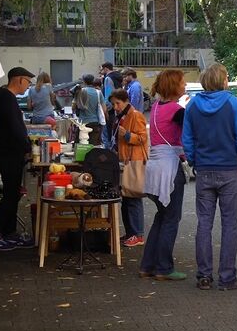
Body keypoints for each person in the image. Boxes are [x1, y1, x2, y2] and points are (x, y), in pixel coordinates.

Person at [182, 63, 237, 291]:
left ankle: (204, 275)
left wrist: (193, 160)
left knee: (204, 224)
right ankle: (227, 277)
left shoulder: (192, 106)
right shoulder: (232, 104)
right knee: (230, 225)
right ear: (222, 80)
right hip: (230, 169)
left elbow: (187, 139)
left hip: (204, 170)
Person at [141, 70, 188, 281]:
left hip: (153, 167)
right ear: (174, 86)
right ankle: (164, 268)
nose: (185, 86)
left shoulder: (156, 108)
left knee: (161, 217)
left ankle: (147, 265)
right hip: (169, 168)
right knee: (171, 218)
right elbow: (188, 136)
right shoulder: (177, 110)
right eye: (183, 82)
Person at [0, 67, 36, 251]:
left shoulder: (6, 97)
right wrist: (27, 147)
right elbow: (15, 127)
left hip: (9, 152)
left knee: (13, 193)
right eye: (28, 82)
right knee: (11, 195)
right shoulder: (6, 97)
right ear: (19, 79)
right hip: (8, 154)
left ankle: (9, 232)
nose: (28, 86)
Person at [110, 88, 148, 247]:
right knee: (126, 199)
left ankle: (138, 234)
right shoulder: (122, 116)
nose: (115, 107)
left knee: (133, 198)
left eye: (117, 103)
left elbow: (142, 138)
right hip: (125, 161)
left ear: (125, 101)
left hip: (135, 161)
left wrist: (126, 135)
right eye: (113, 104)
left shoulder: (136, 115)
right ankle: (131, 233)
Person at [73, 74, 105, 145]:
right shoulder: (98, 93)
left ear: (84, 81)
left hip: (83, 123)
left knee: (80, 146)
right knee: (93, 148)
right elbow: (104, 109)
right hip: (95, 123)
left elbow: (73, 106)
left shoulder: (80, 92)